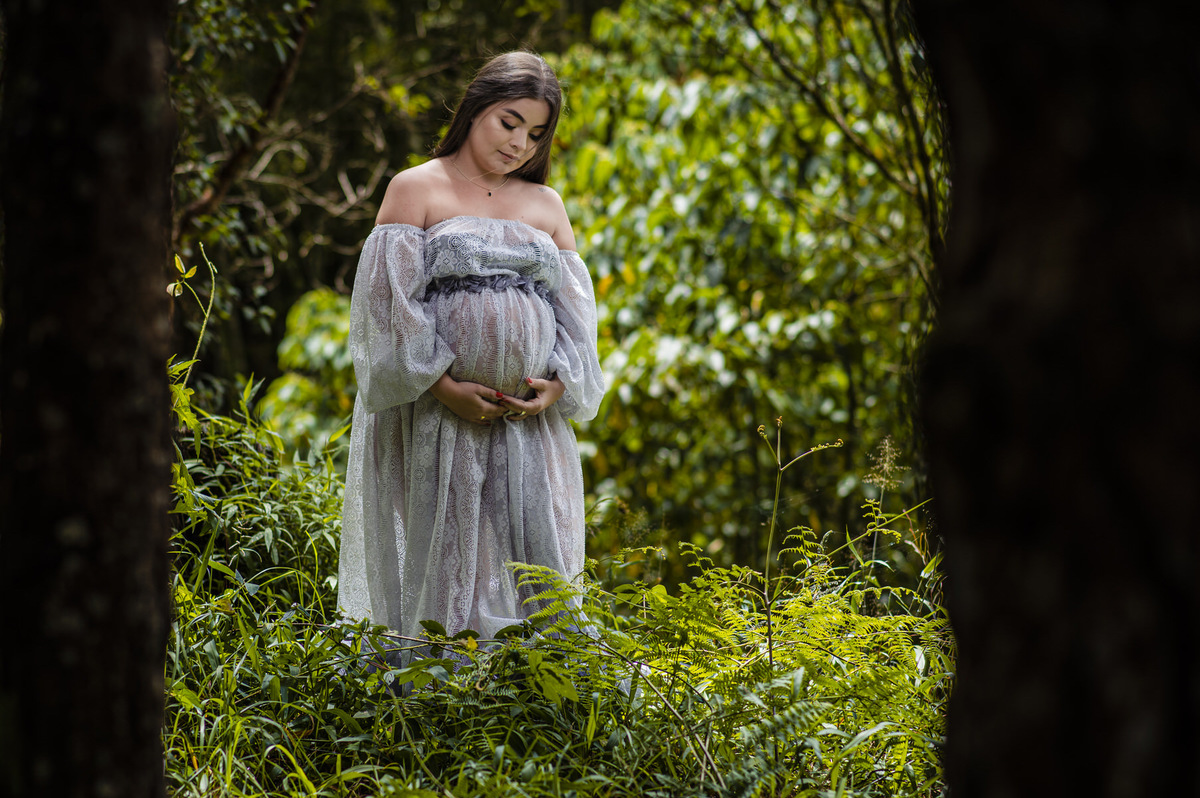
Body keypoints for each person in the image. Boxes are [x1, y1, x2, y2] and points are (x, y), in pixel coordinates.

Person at [336, 52, 605, 648]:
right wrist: (444, 387)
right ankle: (441, 698)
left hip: (527, 427)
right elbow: (388, 307)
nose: (519, 144)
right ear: (475, 108)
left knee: (541, 562)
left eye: (536, 134)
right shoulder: (416, 188)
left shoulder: (546, 205)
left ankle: (546, 700)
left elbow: (575, 314)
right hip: (440, 418)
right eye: (509, 122)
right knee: (454, 558)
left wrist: (558, 382)